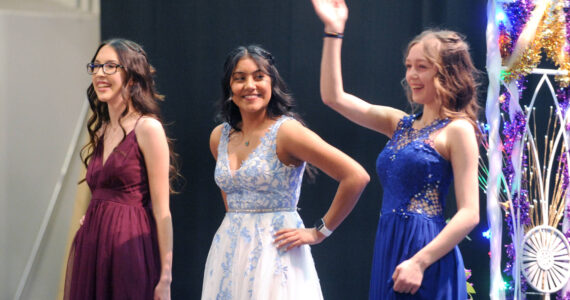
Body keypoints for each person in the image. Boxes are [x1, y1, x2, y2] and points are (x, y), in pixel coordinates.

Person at [311, 0, 480, 299]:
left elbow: (469, 214)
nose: (411, 75)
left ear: (446, 73)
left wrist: (420, 261)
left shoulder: (459, 130)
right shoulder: (398, 123)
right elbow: (333, 97)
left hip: (426, 251)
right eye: (409, 66)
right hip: (390, 242)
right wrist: (333, 31)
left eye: (422, 67)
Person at [201, 45, 370, 300]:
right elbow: (231, 196)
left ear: (272, 83)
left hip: (275, 252)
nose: (250, 85)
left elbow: (356, 176)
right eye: (240, 78)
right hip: (228, 251)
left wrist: (319, 232)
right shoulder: (219, 137)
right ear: (229, 87)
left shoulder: (287, 132)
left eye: (259, 77)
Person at [64, 39, 176, 300]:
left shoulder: (148, 128)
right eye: (96, 66)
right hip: (93, 244)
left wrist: (166, 278)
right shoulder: (102, 130)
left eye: (111, 66)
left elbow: (162, 211)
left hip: (129, 246)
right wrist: (95, 214)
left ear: (132, 76)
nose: (100, 73)